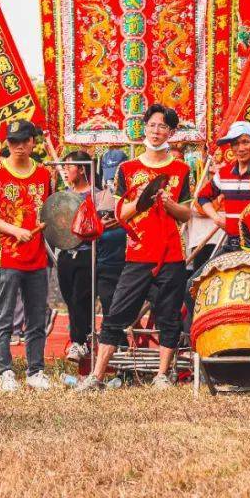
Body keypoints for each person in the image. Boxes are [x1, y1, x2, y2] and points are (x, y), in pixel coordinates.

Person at [77, 104, 191, 392]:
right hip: (138, 253)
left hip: (171, 254)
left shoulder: (181, 169)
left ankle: (162, 375)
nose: (156, 131)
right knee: (116, 313)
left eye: (162, 126)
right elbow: (117, 213)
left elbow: (186, 214)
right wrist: (139, 202)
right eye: (152, 125)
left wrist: (168, 203)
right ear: (144, 127)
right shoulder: (128, 168)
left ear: (172, 132)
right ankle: (98, 376)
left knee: (168, 314)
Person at [0, 120, 52, 392]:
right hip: (5, 258)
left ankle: (35, 370)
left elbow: (51, 211)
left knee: (36, 317)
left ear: (33, 142)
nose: (19, 146)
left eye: (24, 140)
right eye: (13, 142)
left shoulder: (44, 175)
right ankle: (5, 371)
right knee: (4, 317)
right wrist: (14, 230)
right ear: (6, 144)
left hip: (37, 257)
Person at [197, 121, 250, 255]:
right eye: (235, 144)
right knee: (204, 275)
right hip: (232, 243)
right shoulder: (224, 174)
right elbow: (202, 197)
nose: (240, 148)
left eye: (245, 142)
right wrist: (216, 218)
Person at [57, 151, 94, 363]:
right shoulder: (63, 195)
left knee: (82, 299)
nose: (65, 171)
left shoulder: (96, 195)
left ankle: (81, 341)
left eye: (69, 167)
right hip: (65, 254)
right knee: (70, 300)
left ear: (81, 169)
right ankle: (80, 341)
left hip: (87, 253)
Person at [94, 149, 128, 342]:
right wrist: (100, 226)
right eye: (109, 172)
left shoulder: (131, 195)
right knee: (110, 310)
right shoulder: (97, 197)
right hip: (105, 264)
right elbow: (86, 231)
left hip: (131, 263)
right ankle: (117, 354)